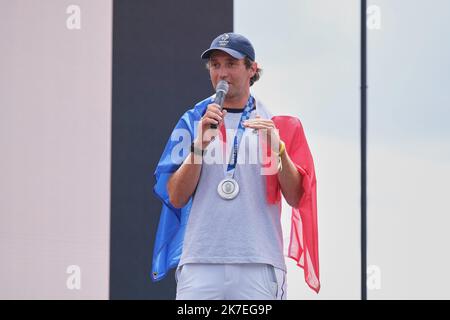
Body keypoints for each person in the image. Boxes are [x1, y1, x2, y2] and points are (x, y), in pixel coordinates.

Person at [151, 32, 320, 299]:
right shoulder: (193, 121)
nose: (222, 73)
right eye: (216, 65)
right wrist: (199, 146)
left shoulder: (280, 125)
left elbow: (297, 196)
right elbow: (176, 195)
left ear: (252, 69)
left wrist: (280, 151)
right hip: (200, 262)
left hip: (259, 262)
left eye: (231, 64)